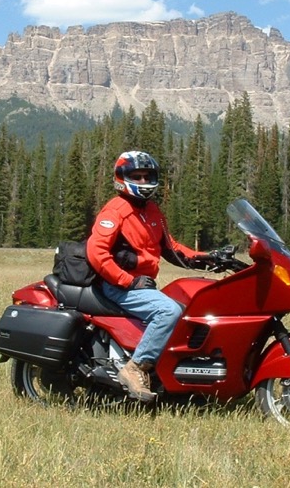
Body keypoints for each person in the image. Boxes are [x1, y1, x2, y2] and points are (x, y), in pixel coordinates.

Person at [87, 150, 207, 402]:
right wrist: (128, 281)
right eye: (136, 176)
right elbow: (96, 252)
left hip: (141, 285)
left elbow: (171, 249)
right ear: (122, 178)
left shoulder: (152, 210)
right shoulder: (116, 210)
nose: (142, 181)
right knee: (168, 311)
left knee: (194, 303)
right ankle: (136, 367)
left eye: (147, 176)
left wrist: (208, 259)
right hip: (118, 286)